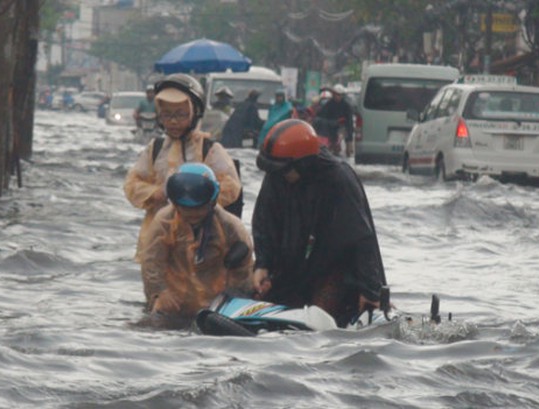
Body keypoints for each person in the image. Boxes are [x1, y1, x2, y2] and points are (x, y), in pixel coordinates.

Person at [251, 119, 387, 327]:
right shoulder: (277, 176)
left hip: (336, 270)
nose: (278, 176)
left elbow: (360, 238)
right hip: (292, 267)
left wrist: (371, 290)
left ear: (303, 164)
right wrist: (263, 264)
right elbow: (264, 223)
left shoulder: (338, 180)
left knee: (318, 321)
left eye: (284, 171)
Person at [124, 73, 242, 263]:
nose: (173, 121)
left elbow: (232, 187)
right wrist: (156, 193)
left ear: (195, 112)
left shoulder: (209, 150)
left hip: (202, 246)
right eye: (167, 115)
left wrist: (198, 197)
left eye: (180, 114)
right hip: (157, 244)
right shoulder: (155, 149)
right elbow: (132, 184)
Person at [139, 163, 254, 325]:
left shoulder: (230, 226)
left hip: (215, 307)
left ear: (211, 202)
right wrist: (160, 292)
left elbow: (244, 269)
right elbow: (151, 262)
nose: (191, 214)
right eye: (185, 209)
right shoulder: (164, 222)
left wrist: (234, 299)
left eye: (198, 209)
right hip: (173, 303)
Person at [313, 84, 354, 157]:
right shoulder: (329, 104)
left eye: (340, 95)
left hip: (342, 128)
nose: (338, 96)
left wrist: (349, 141)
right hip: (330, 127)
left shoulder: (346, 106)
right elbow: (321, 116)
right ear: (333, 94)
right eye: (336, 94)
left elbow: (349, 123)